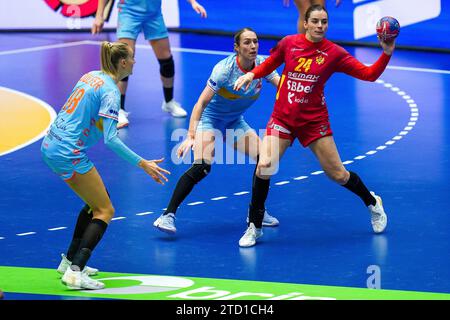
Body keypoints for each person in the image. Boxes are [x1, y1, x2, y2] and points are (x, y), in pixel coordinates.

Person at [234, 4, 394, 247]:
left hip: (314, 121)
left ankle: (373, 202)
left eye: (324, 22)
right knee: (264, 165)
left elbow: (369, 74)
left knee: (338, 174)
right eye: (316, 21)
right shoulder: (289, 43)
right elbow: (270, 64)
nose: (320, 26)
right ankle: (254, 226)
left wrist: (386, 52)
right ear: (305, 23)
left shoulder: (334, 53)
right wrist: (251, 75)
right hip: (283, 118)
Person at [41, 41, 170, 289]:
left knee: (96, 204)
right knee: (105, 210)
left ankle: (69, 261)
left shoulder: (91, 76)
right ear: (122, 63)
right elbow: (111, 140)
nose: (134, 61)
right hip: (69, 152)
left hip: (51, 144)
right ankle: (75, 272)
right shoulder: (111, 91)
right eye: (132, 58)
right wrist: (143, 163)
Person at [153, 28, 281, 234]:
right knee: (202, 166)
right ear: (236, 47)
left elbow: (282, 88)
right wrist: (191, 136)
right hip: (210, 120)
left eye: (255, 42)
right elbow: (201, 103)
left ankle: (257, 212)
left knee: (266, 160)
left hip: (234, 122)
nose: (253, 46)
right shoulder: (224, 70)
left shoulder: (263, 66)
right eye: (247, 42)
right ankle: (167, 215)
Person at [92, 0, 207, 129]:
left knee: (166, 59)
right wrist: (99, 15)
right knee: (124, 60)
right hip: (129, 13)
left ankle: (169, 102)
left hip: (154, 14)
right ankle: (119, 109)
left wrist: (193, 3)